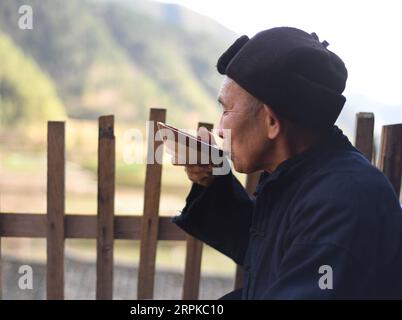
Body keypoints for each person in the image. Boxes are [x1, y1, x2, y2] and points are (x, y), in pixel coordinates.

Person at [172, 27, 402, 299]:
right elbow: (269, 254)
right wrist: (213, 180)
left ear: (271, 122)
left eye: (227, 110)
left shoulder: (346, 201)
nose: (220, 129)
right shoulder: (304, 177)